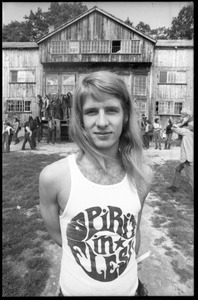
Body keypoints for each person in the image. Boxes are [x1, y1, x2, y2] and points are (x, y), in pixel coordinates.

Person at [39, 71, 153, 296]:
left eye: (111, 110)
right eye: (92, 112)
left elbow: (133, 230)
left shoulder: (143, 175)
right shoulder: (54, 177)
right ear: (81, 120)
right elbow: (58, 234)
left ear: (126, 116)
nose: (102, 123)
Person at [167, 121, 193, 195]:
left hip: (187, 159)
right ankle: (174, 186)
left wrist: (180, 122)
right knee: (177, 169)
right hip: (188, 157)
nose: (187, 126)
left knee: (191, 179)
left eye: (189, 125)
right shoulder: (190, 134)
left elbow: (174, 128)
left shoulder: (187, 132)